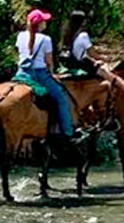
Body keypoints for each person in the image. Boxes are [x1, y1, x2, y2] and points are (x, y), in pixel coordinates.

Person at [62, 10, 124, 113]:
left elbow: (79, 53)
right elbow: (92, 53)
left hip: (75, 63)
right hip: (83, 66)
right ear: (83, 22)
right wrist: (105, 59)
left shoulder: (68, 33)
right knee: (117, 80)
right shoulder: (83, 35)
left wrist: (96, 58)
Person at [16, 9, 85, 143]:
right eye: (44, 21)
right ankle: (68, 132)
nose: (46, 24)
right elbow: (49, 62)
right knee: (61, 97)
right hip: (39, 74)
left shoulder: (20, 36)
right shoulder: (46, 39)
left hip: (21, 73)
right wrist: (52, 73)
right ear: (40, 24)